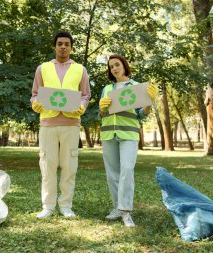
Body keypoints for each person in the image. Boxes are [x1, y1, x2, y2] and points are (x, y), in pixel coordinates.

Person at [30, 31, 91, 219]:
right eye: (59, 44)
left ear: (71, 47)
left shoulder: (80, 69)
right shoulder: (43, 68)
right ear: (54, 47)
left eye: (66, 44)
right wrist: (35, 104)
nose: (63, 47)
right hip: (48, 123)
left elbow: (85, 95)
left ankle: (66, 206)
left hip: (71, 124)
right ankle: (48, 206)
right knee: (47, 165)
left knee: (69, 166)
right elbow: (34, 94)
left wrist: (82, 106)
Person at [98, 54, 157, 227]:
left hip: (129, 134)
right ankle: (117, 207)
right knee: (112, 174)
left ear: (124, 65)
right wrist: (102, 109)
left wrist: (149, 102)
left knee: (127, 170)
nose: (114, 68)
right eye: (111, 67)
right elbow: (101, 115)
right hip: (109, 134)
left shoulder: (136, 87)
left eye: (117, 65)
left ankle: (126, 212)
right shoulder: (107, 88)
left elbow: (142, 115)